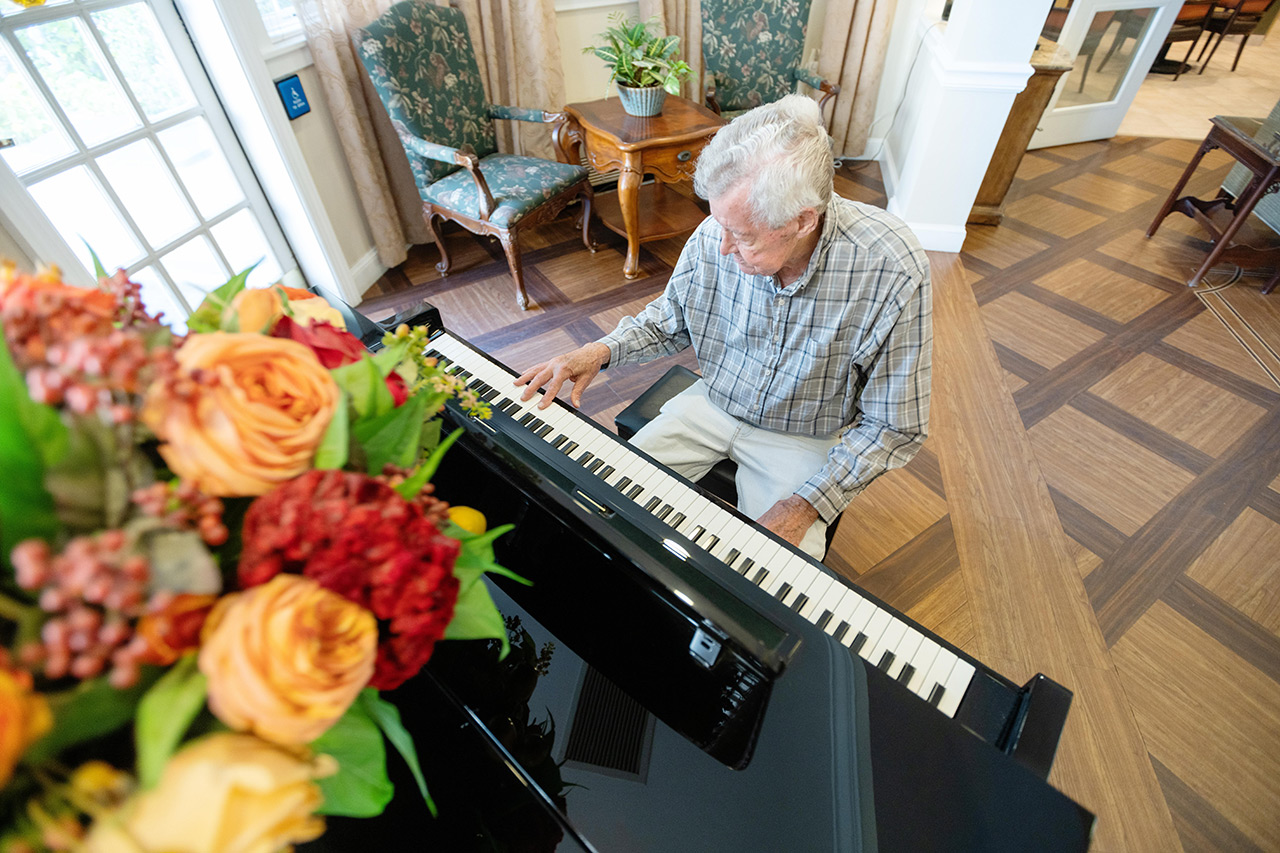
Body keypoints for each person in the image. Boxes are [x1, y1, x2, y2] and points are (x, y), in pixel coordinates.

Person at [513, 94, 931, 560]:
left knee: (774, 580)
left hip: (803, 435)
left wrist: (807, 504)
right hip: (712, 401)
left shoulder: (890, 266)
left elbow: (895, 425)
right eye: (719, 224)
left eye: (744, 236)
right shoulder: (720, 231)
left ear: (802, 221)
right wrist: (598, 351)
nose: (722, 245)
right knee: (598, 502)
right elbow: (671, 320)